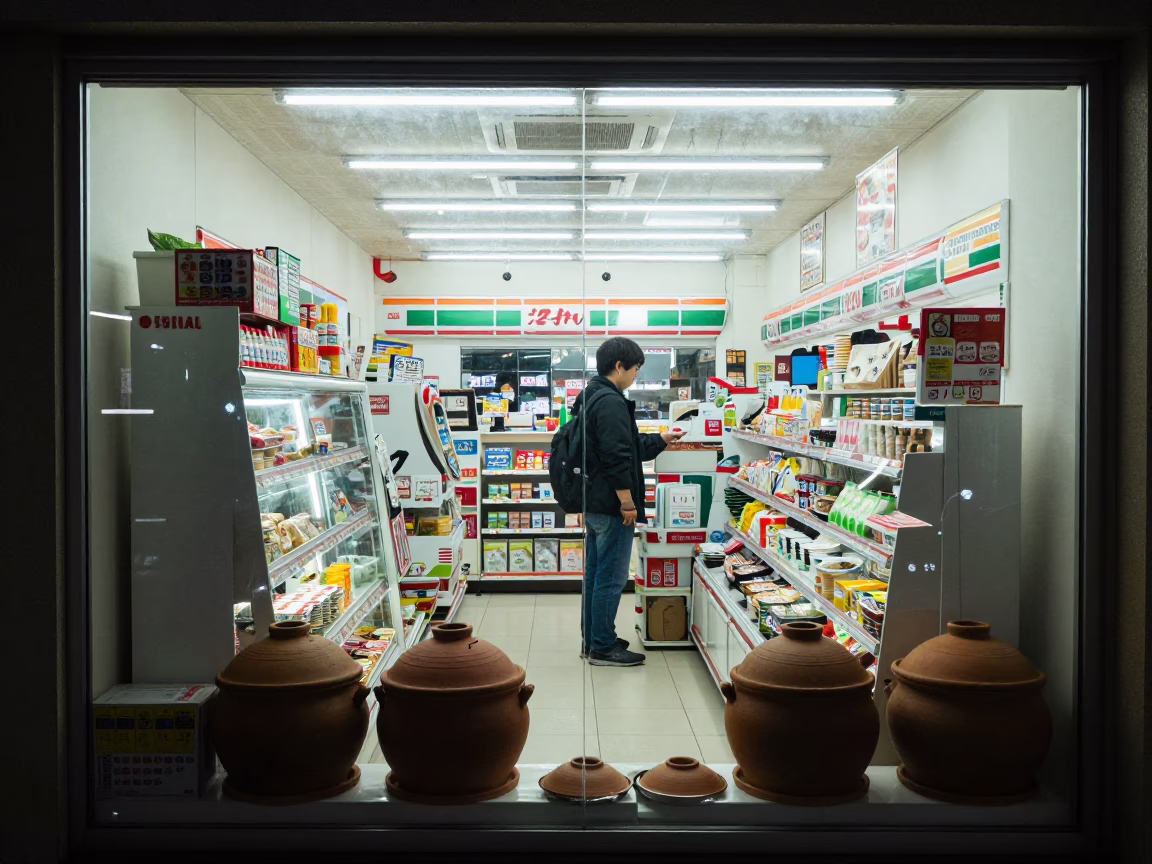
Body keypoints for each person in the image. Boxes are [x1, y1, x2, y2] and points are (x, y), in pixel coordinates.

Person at [573, 337, 685, 666]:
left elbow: (629, 445)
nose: (636, 374)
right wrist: (627, 503)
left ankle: (593, 640)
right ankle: (603, 649)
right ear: (619, 366)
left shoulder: (590, 394)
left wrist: (662, 439)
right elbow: (616, 456)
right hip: (611, 507)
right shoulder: (610, 401)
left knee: (595, 575)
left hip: (593, 501)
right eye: (635, 368)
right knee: (610, 578)